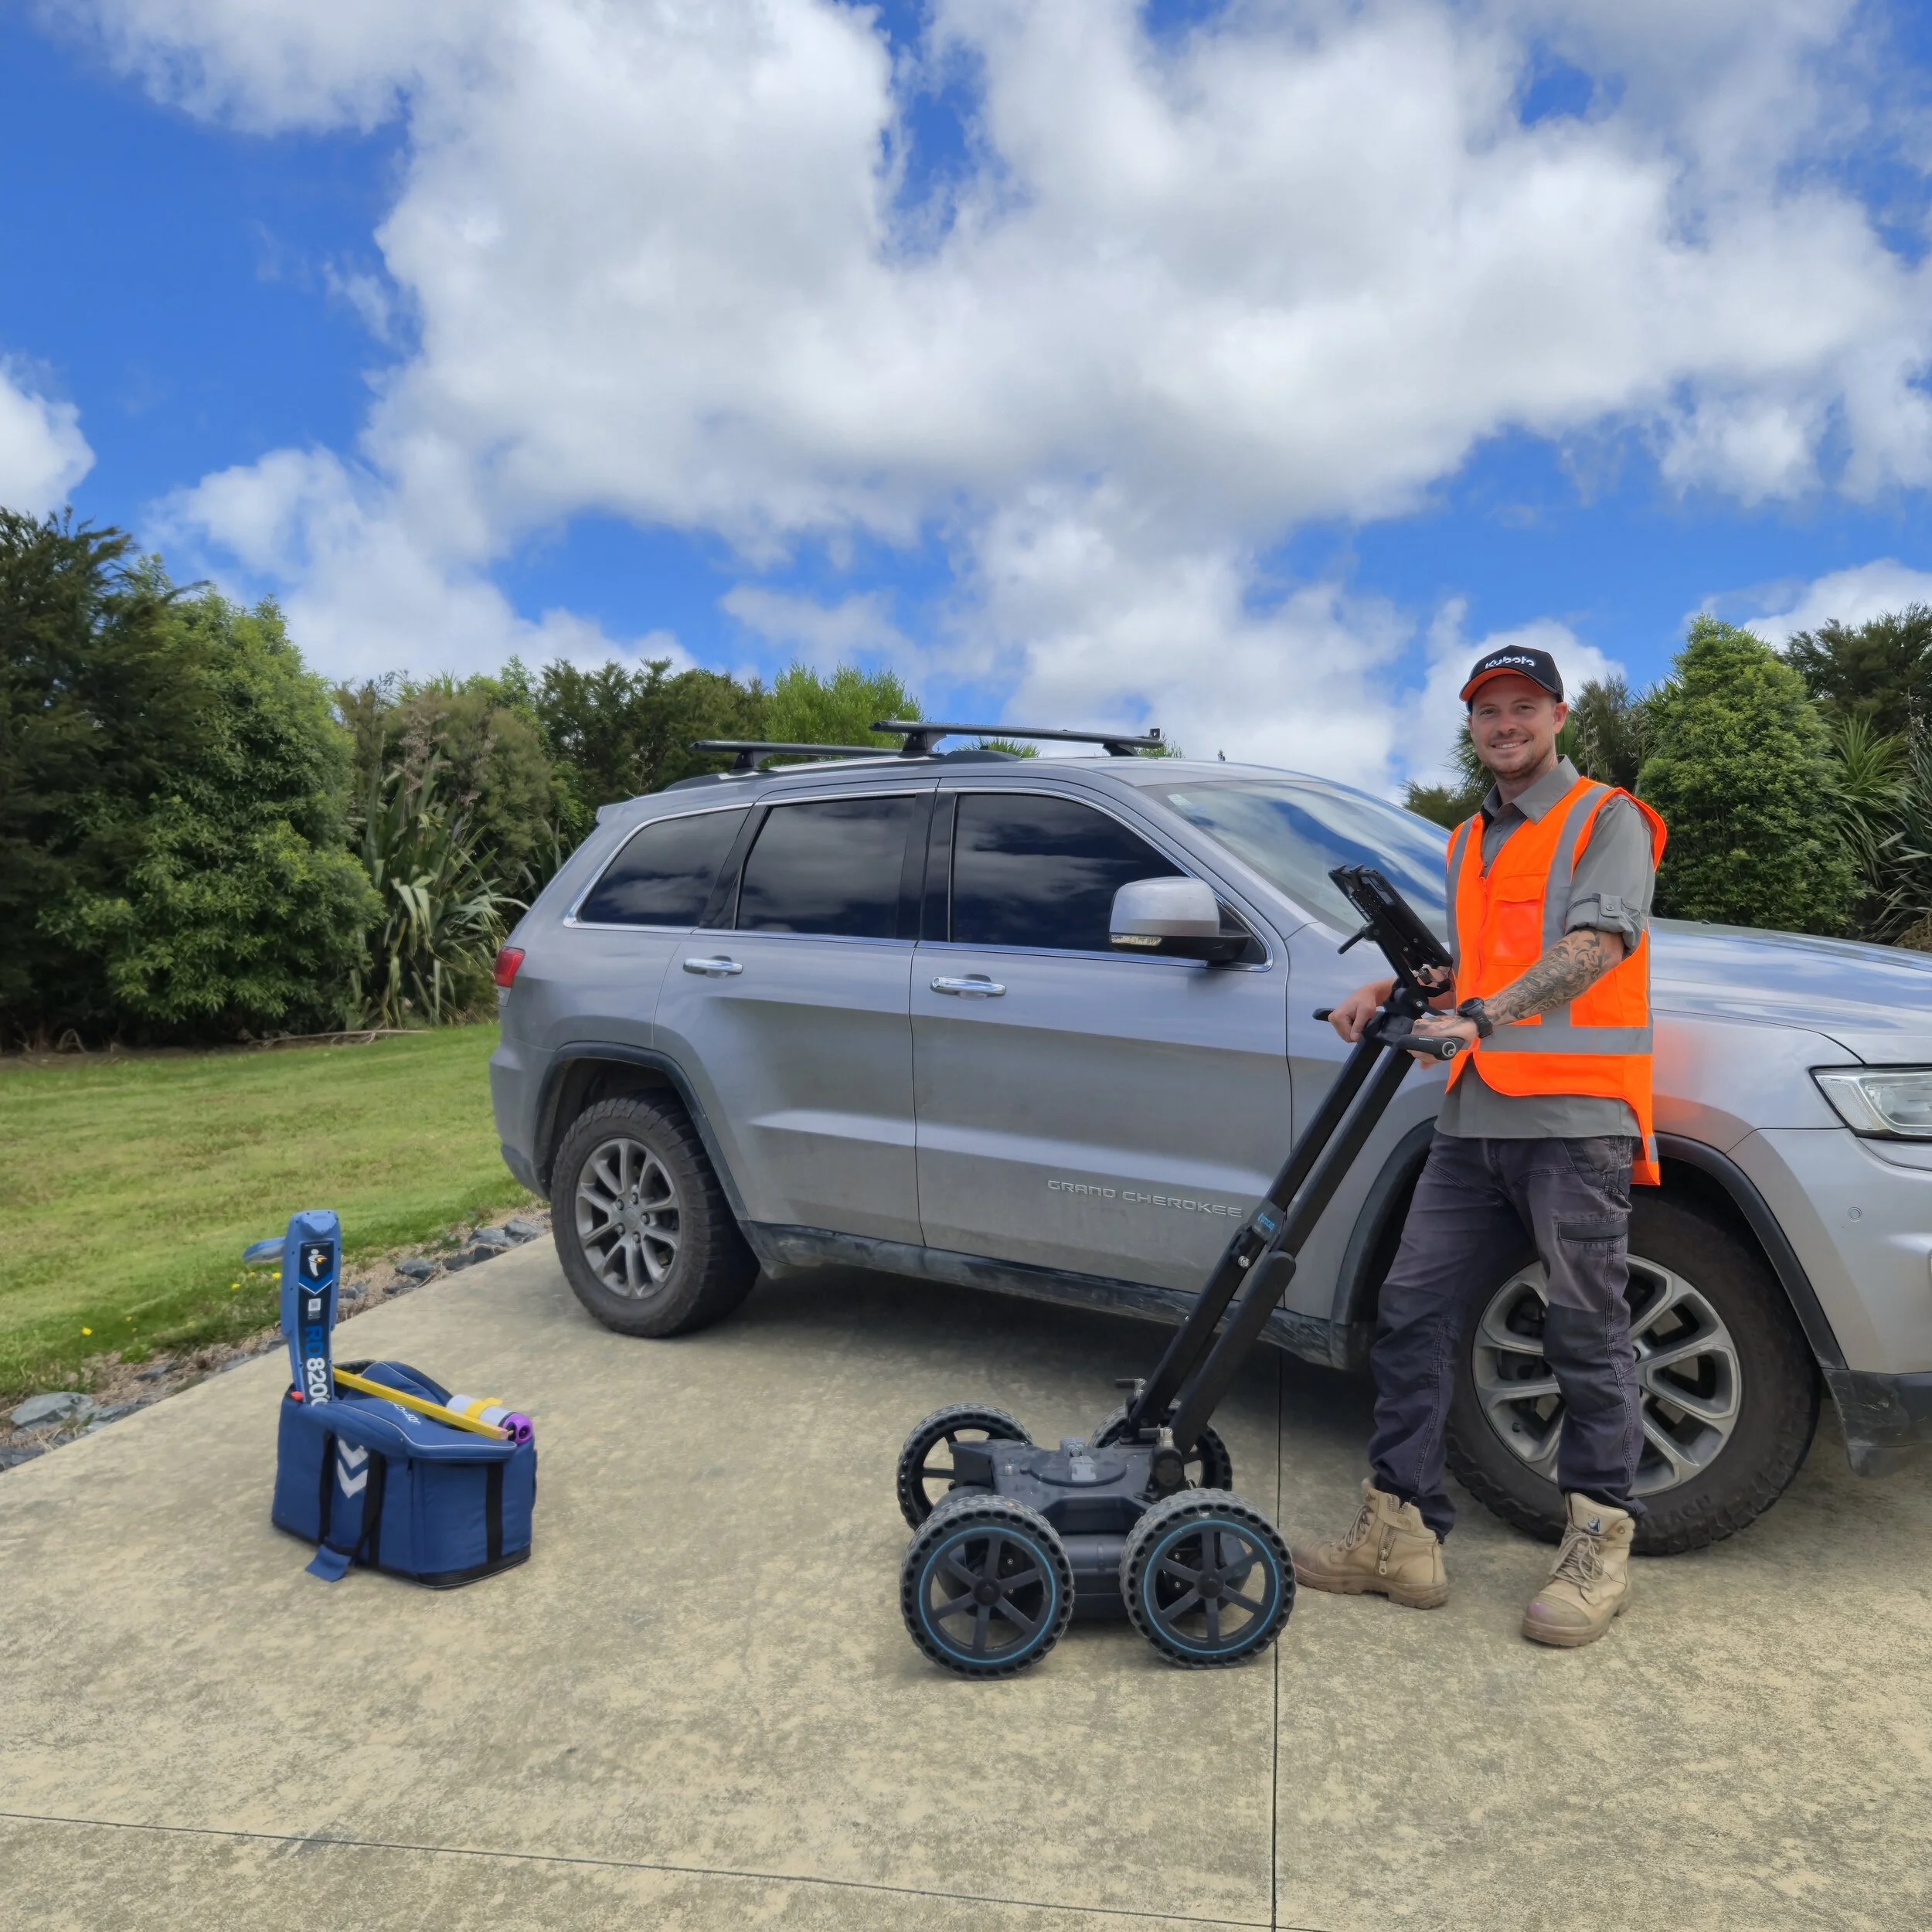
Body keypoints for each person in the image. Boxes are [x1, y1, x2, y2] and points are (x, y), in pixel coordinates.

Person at [1291, 645, 1666, 1648]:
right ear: (1472, 727)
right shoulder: (1466, 842)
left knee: (1585, 1332)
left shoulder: (1607, 819)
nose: (1506, 725)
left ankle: (1598, 1544)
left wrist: (1486, 1016)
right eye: (1488, 712)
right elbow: (1486, 961)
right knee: (1409, 1311)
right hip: (1474, 1116)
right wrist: (1403, 991)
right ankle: (1401, 1535)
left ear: (1558, 715)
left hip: (1573, 1120)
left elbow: (1597, 946)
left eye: (1523, 708)